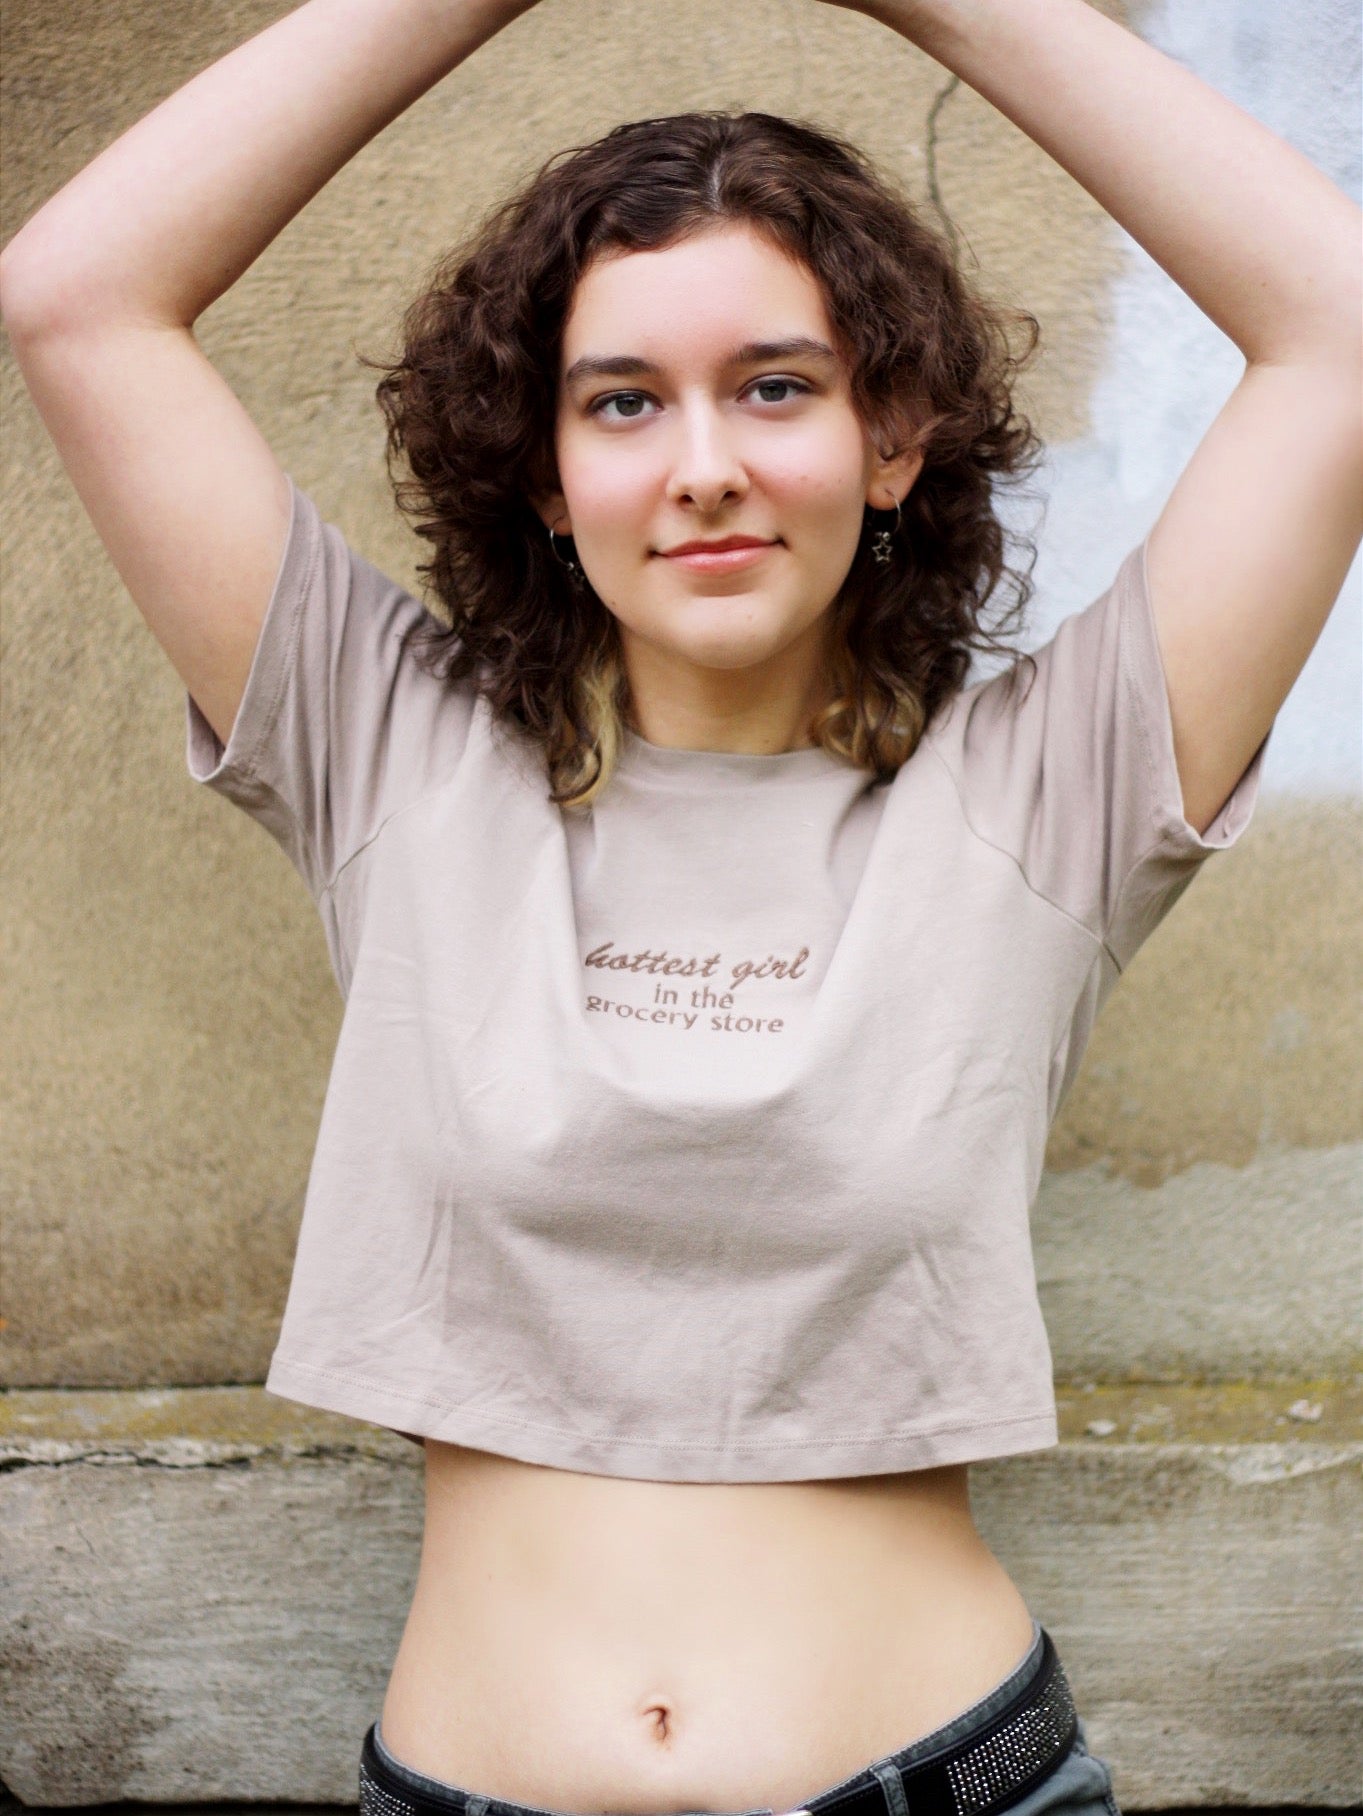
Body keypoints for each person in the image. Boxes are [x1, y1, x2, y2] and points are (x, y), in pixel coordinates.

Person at [2, 0, 1358, 1811]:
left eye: (777, 386)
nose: (703, 460)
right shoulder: (389, 753)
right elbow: (75, 295)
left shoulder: (1054, 792)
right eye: (622, 402)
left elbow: (1340, 333)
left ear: (894, 443)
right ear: (551, 483)